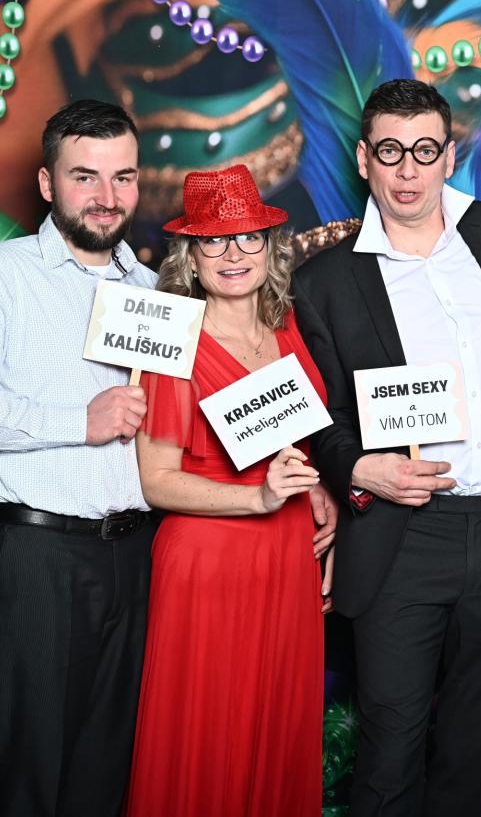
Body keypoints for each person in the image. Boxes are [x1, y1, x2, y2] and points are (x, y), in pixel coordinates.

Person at [292, 78, 481, 816]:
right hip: (405, 537)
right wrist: (357, 466)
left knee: (479, 753)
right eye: (390, 152)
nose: (408, 171)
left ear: (449, 156)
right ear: (363, 159)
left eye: (424, 151)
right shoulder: (324, 282)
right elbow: (320, 415)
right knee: (389, 754)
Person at [0, 99, 158, 815]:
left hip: (135, 556)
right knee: (32, 773)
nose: (107, 196)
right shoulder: (3, 276)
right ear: (49, 183)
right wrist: (77, 422)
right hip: (35, 556)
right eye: (86, 176)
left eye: (123, 177)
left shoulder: (153, 292)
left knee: (107, 772)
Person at [123, 165, 337, 815]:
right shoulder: (172, 341)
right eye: (214, 240)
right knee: (209, 739)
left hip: (286, 556)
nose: (234, 254)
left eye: (248, 237)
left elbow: (292, 440)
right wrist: (259, 499)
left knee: (275, 728)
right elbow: (156, 481)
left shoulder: (285, 325)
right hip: (208, 565)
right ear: (190, 257)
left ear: (269, 248)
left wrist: (314, 489)